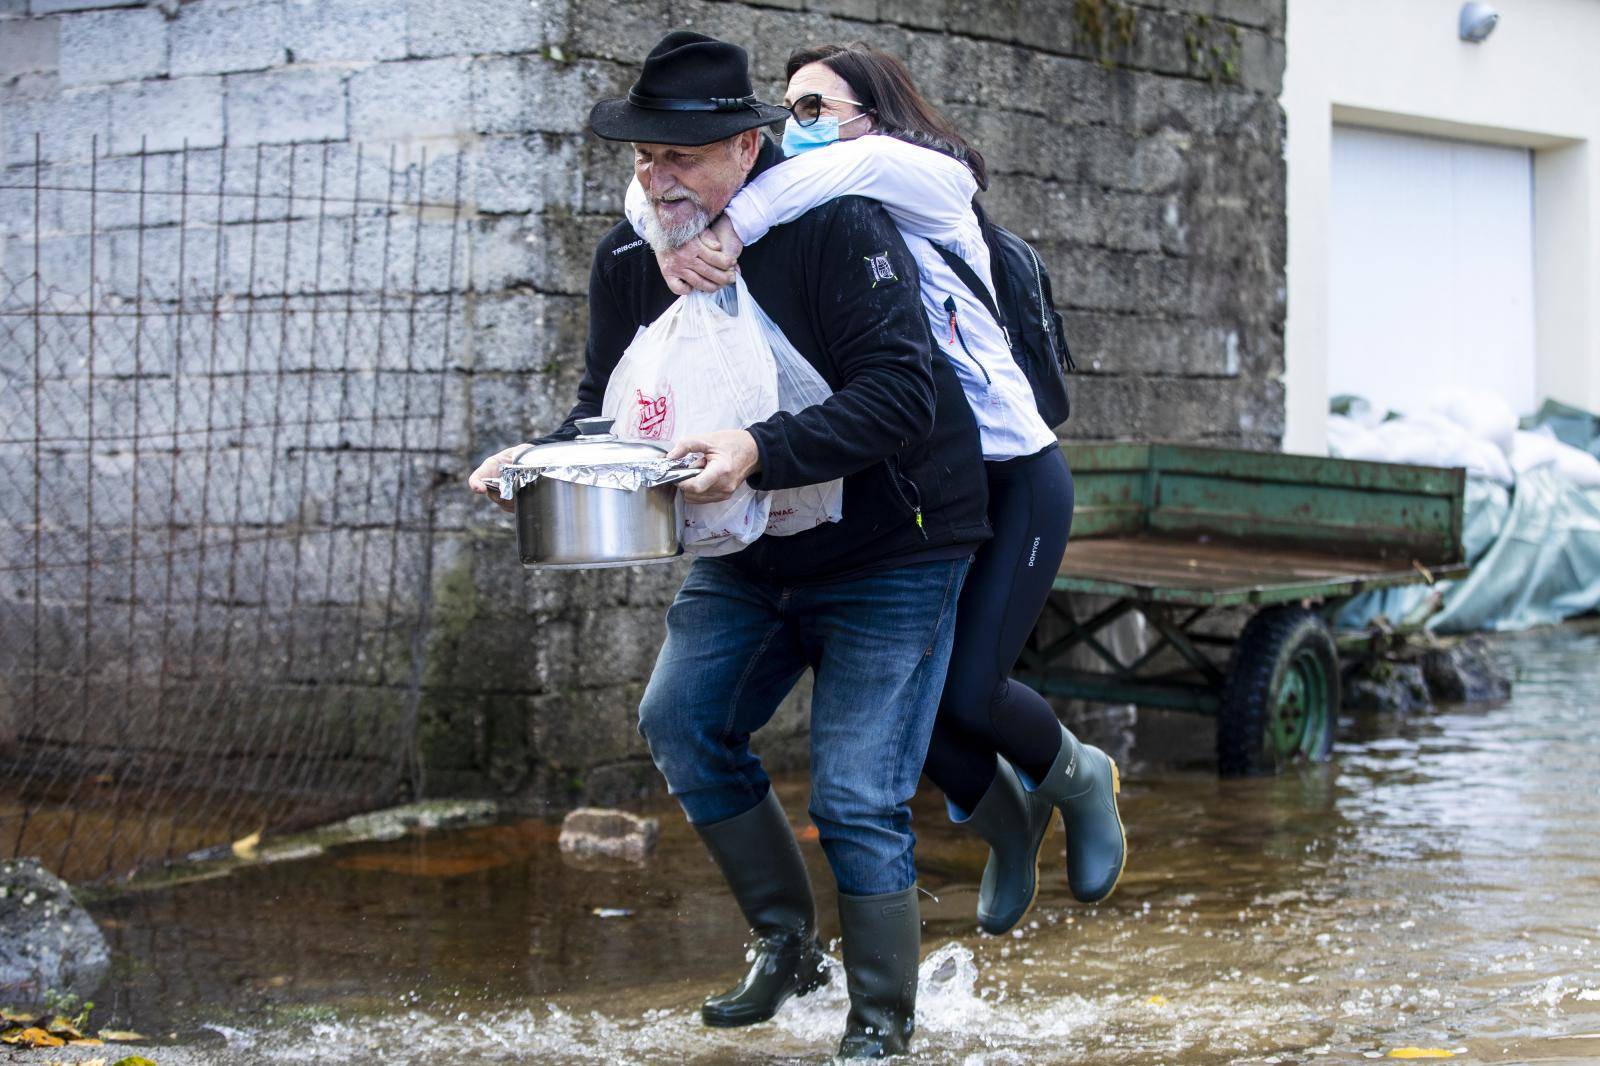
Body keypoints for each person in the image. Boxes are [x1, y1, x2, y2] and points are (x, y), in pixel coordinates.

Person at [468, 32, 991, 1059]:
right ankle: (787, 945)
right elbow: (606, 413)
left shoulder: (839, 229)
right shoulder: (630, 261)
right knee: (681, 719)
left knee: (852, 792)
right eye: (642, 157)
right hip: (746, 550)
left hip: (897, 543)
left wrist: (757, 448)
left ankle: (882, 1016)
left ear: (748, 147)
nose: (657, 178)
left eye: (681, 156)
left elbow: (899, 398)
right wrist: (534, 463)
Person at [624, 42, 1127, 937]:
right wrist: (673, 232)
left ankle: (1083, 779)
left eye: (816, 110)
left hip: (1016, 476)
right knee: (927, 712)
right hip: (938, 479)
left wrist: (723, 231)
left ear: (875, 115)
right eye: (788, 112)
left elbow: (782, 183)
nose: (795, 129)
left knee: (970, 692)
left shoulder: (925, 178)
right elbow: (662, 190)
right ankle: (1009, 837)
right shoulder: (822, 192)